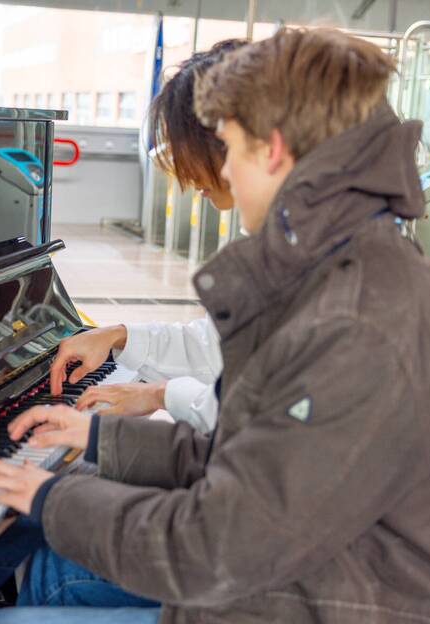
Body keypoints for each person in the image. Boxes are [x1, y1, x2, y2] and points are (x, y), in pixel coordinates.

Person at [0, 27, 430, 624]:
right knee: (52, 574)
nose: (222, 171)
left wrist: (49, 497)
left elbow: (217, 546)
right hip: (312, 587)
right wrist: (97, 437)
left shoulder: (358, 321)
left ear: (274, 149)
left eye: (228, 146)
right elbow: (244, 459)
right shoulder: (344, 271)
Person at [57, 41, 248, 433]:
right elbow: (218, 346)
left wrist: (162, 395)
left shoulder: (326, 255)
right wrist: (118, 335)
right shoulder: (283, 236)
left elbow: (266, 420)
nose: (189, 179)